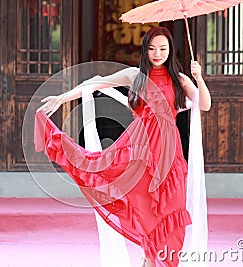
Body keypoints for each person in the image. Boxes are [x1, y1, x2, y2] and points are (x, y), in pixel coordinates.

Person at [35, 26, 211, 267]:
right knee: (147, 217)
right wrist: (62, 98)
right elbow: (96, 83)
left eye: (163, 48)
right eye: (152, 48)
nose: (157, 53)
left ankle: (154, 260)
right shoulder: (134, 76)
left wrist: (198, 77)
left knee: (172, 219)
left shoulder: (179, 79)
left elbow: (204, 104)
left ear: (171, 51)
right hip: (139, 155)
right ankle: (150, 259)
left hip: (170, 158)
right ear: (145, 50)